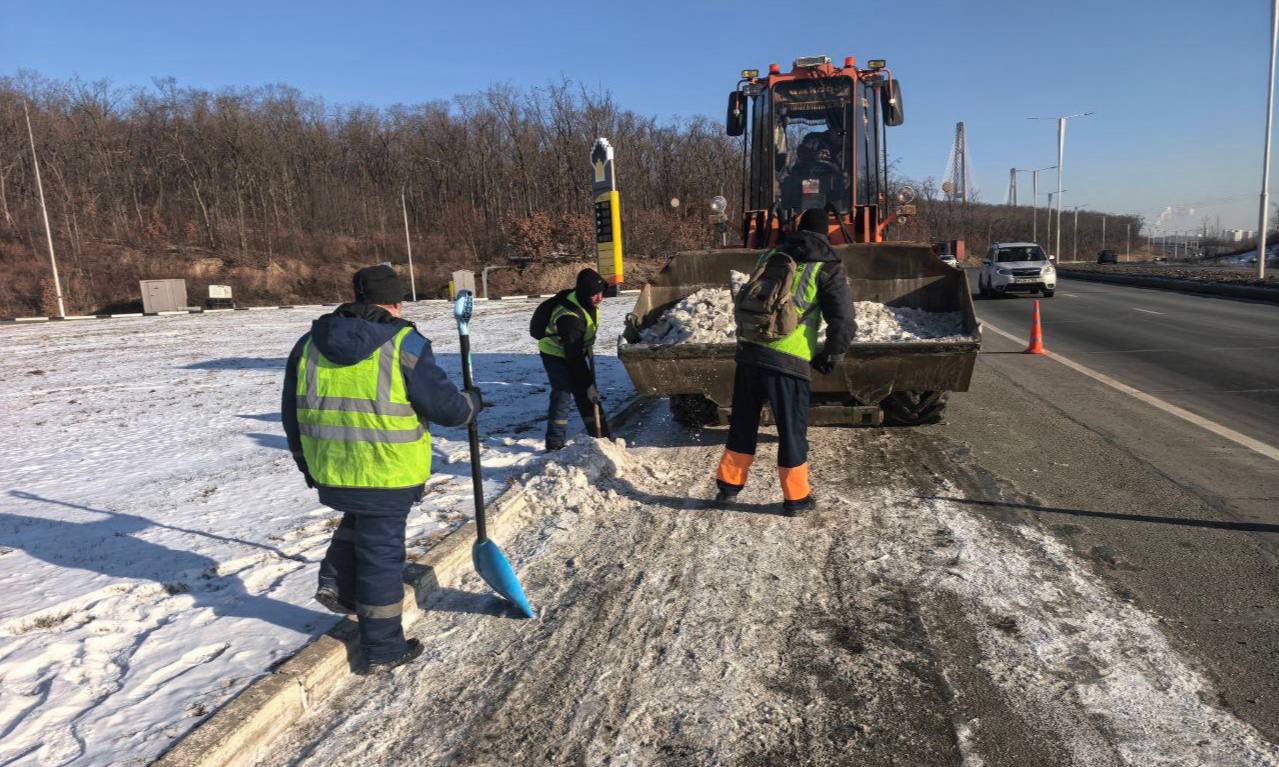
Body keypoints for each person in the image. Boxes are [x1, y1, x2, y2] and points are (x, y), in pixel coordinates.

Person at [282, 264, 481, 672]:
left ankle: (337, 584)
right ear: (396, 302)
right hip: (388, 471)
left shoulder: (308, 343)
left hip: (333, 468)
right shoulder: (404, 343)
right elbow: (446, 409)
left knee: (360, 519)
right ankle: (385, 647)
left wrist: (306, 464)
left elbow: (291, 412)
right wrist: (471, 404)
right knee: (381, 557)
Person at [714, 208, 855, 515]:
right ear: (826, 233)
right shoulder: (826, 266)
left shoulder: (769, 257)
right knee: (791, 431)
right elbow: (843, 320)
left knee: (742, 423)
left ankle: (727, 489)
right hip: (788, 361)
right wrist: (832, 353)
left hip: (750, 352)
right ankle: (796, 498)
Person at [537, 268, 612, 451]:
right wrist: (588, 384)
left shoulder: (586, 302)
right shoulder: (570, 318)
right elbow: (574, 359)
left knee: (586, 394)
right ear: (585, 293)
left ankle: (602, 438)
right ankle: (554, 444)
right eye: (594, 294)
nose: (599, 298)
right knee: (563, 394)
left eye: (601, 293)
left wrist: (587, 385)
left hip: (574, 350)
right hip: (555, 354)